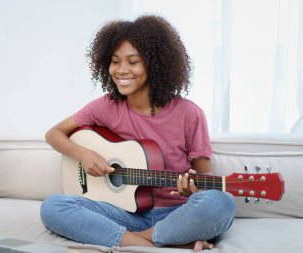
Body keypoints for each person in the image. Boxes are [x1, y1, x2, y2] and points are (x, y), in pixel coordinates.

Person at [40, 15, 235, 251]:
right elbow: (54, 133)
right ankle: (158, 242)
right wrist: (82, 154)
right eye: (115, 61)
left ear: (155, 64)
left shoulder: (189, 114)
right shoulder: (106, 106)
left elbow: (207, 176)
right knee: (52, 207)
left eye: (133, 62)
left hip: (176, 213)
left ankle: (139, 239)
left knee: (220, 202)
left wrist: (193, 188)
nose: (121, 70)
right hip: (125, 214)